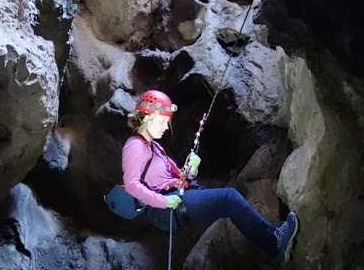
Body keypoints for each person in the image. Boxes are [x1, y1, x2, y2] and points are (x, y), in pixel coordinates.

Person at [121, 89, 299, 260]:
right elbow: (131, 184)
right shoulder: (134, 146)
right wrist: (164, 201)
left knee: (227, 201)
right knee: (228, 197)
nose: (166, 127)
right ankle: (274, 242)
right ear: (148, 118)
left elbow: (180, 179)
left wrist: (191, 169)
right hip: (163, 208)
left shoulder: (154, 147)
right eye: (161, 121)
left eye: (166, 122)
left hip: (174, 197)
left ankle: (269, 243)